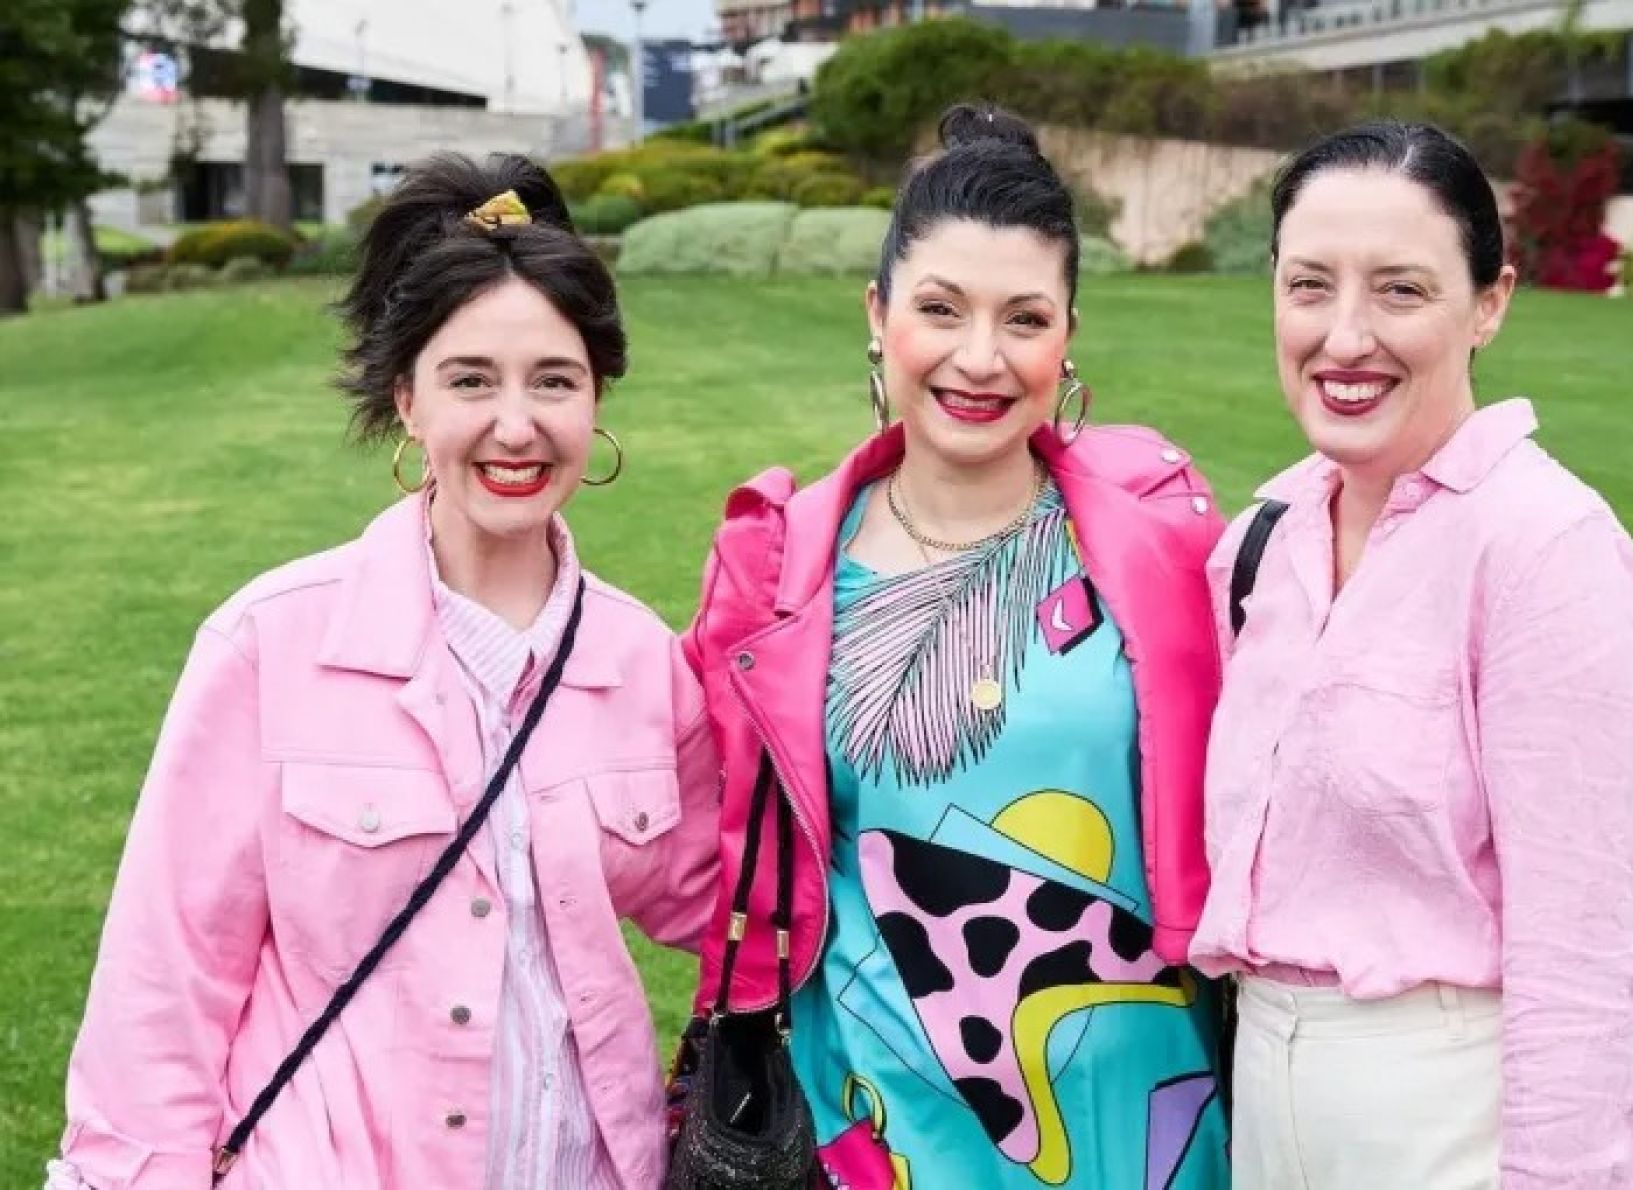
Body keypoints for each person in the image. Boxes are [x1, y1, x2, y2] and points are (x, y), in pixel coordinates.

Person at [47, 153, 719, 1190]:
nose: (515, 425)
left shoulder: (641, 660)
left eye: (555, 379)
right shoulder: (270, 642)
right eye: (469, 380)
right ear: (406, 399)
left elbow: (745, 902)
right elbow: (165, 982)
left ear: (598, 401)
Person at [679, 105, 1232, 1189]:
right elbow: (701, 826)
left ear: (1069, 333)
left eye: (1024, 318)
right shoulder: (780, 564)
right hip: (877, 1127)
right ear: (878, 316)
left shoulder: (1169, 547)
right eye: (941, 309)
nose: (981, 358)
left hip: (1149, 1118)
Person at [1188, 120, 1633, 1189]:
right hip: (1274, 1107)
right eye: (1309, 285)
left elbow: (1589, 962)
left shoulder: (1543, 551)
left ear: (1490, 303)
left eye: (1402, 290)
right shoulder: (1260, 547)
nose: (1346, 335)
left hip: (1463, 1117)